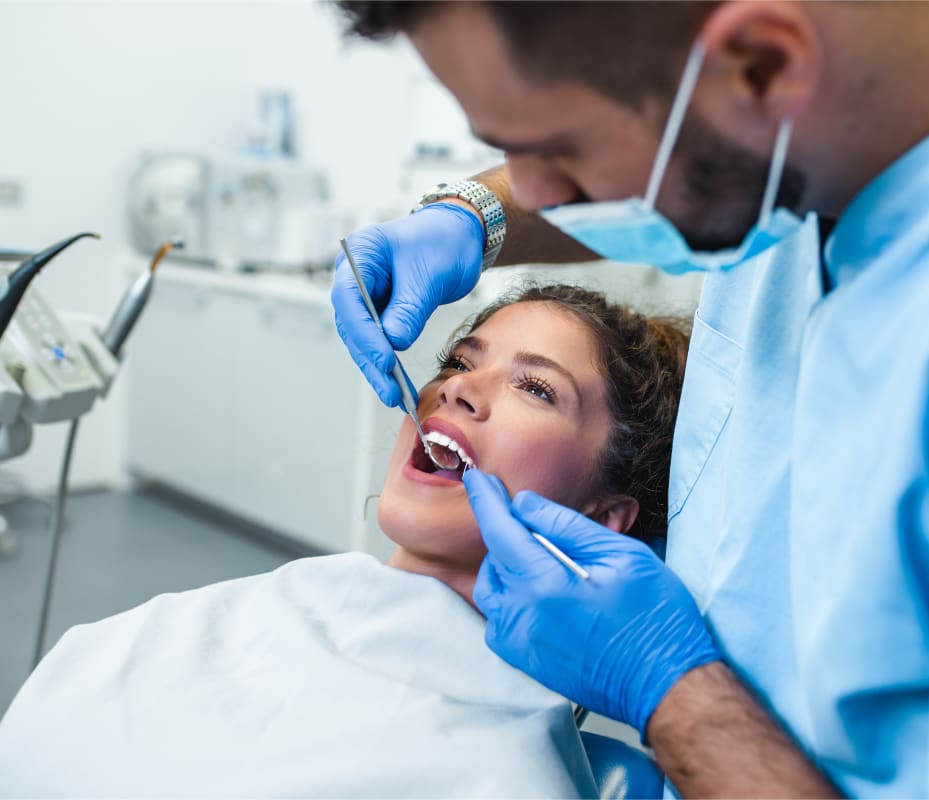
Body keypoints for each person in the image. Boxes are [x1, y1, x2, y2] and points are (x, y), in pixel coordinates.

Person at [330, 1, 929, 797]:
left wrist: (666, 688)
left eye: (558, 148)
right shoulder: (810, 144)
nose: (532, 190)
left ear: (760, 68)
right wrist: (472, 218)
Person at [0, 285, 690, 797]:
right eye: (457, 361)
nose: (459, 391)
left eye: (536, 389)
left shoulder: (501, 774)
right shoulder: (228, 616)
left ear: (604, 521)